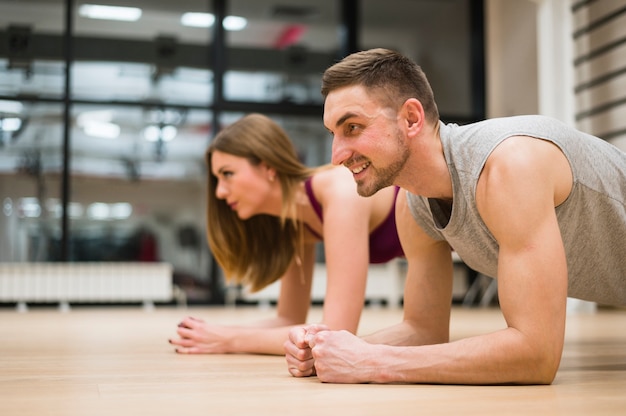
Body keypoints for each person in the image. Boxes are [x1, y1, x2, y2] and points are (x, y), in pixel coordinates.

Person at [284, 48, 626, 384]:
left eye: (353, 127)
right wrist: (332, 349)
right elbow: (423, 330)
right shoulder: (413, 205)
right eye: (334, 134)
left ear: (411, 119)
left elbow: (536, 354)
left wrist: (372, 362)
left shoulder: (509, 164)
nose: (337, 155)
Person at [169, 113, 404, 355]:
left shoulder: (339, 190)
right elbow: (288, 319)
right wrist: (217, 333)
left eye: (227, 174)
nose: (219, 192)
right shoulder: (296, 222)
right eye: (217, 179)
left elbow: (337, 332)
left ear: (268, 167)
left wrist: (230, 340)